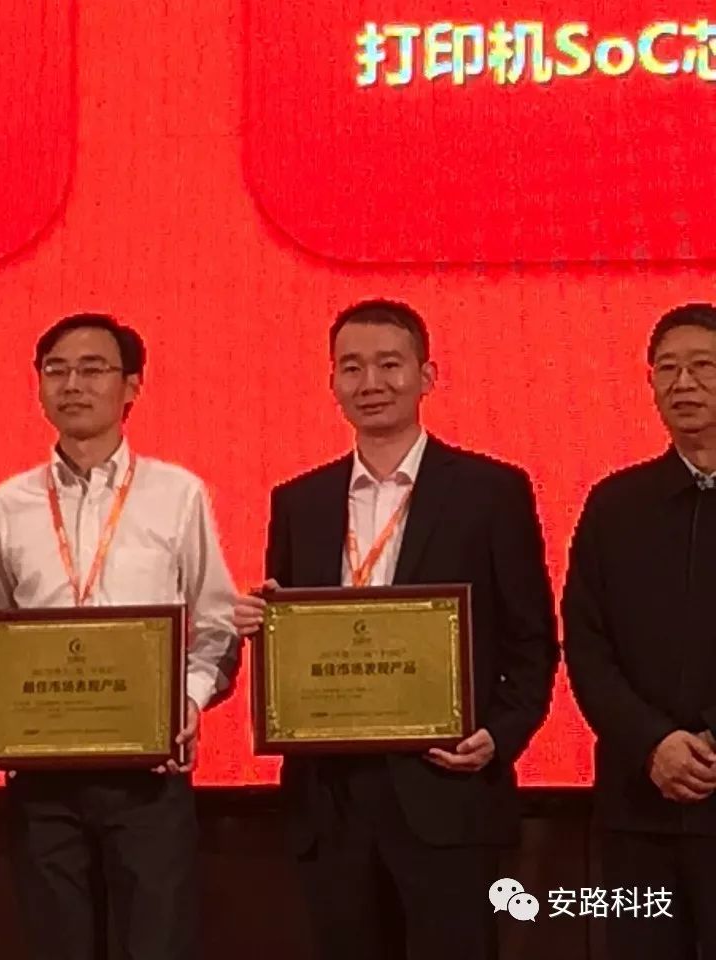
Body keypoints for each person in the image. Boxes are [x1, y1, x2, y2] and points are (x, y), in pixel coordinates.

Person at [233, 299, 558, 960]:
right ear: (332, 382)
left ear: (427, 375)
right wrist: (266, 623)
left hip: (448, 791)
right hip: (330, 802)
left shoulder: (491, 491)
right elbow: (293, 641)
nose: (370, 382)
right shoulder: (299, 502)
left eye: (389, 364)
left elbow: (531, 639)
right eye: (351, 367)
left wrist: (499, 736)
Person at [0, 312, 241, 960]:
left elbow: (218, 623)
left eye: (92, 369)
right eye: (55, 370)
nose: (72, 385)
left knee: (157, 946)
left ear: (132, 386)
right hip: (42, 779)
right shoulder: (8, 503)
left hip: (147, 775)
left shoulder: (178, 493)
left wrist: (186, 703)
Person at [562, 303, 716, 958]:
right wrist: (652, 742)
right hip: (637, 806)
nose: (684, 384)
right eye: (668, 369)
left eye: (703, 366)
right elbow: (586, 642)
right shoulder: (615, 505)